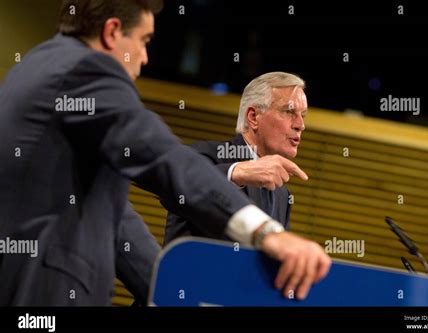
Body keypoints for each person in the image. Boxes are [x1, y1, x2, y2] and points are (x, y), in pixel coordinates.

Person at [0, 0, 331, 306]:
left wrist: (174, 299)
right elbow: (163, 156)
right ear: (112, 31)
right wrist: (266, 233)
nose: (145, 57)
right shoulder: (83, 71)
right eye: (144, 41)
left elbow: (115, 222)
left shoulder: (41, 66)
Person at [165, 72, 307, 244]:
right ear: (253, 117)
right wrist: (234, 173)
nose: (300, 125)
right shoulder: (203, 157)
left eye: (303, 115)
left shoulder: (282, 194)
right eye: (289, 111)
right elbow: (171, 190)